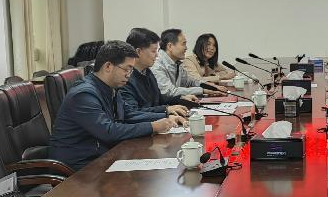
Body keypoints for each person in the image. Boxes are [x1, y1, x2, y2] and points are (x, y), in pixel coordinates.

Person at [49, 41, 179, 170]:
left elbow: (129, 114)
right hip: (78, 166)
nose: (129, 75)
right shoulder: (84, 95)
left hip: (102, 156)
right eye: (127, 69)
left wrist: (165, 117)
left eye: (131, 70)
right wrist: (152, 126)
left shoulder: (110, 88)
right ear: (108, 66)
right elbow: (108, 131)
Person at [122, 28, 196, 117]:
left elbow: (158, 100)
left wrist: (180, 99)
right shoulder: (125, 78)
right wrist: (166, 110)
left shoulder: (148, 72)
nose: (157, 55)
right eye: (153, 51)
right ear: (138, 52)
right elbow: (133, 112)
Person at [152, 28, 226, 98]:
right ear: (170, 46)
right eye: (183, 44)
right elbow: (169, 92)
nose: (186, 48)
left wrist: (208, 86)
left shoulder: (177, 63)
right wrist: (202, 90)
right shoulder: (157, 65)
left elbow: (189, 82)